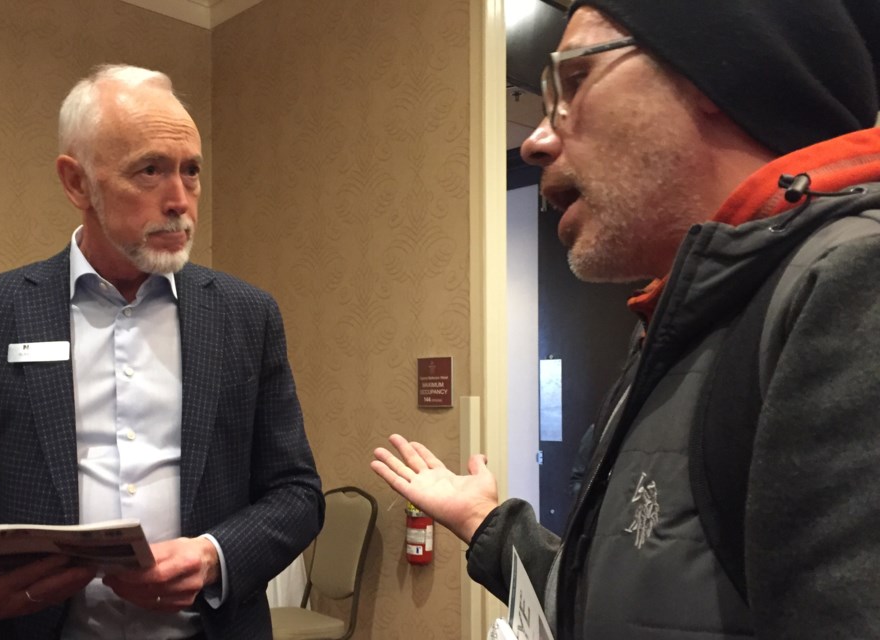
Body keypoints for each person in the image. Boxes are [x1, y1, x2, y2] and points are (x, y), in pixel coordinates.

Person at [372, 1, 880, 638]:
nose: (534, 140)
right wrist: (484, 522)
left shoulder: (850, 289)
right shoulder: (682, 328)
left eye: (577, 82)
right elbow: (624, 600)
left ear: (719, 72)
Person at [0, 64, 324, 639]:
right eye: (150, 171)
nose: (179, 200)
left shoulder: (246, 314)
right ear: (76, 182)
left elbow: (296, 493)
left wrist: (215, 556)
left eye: (191, 171)